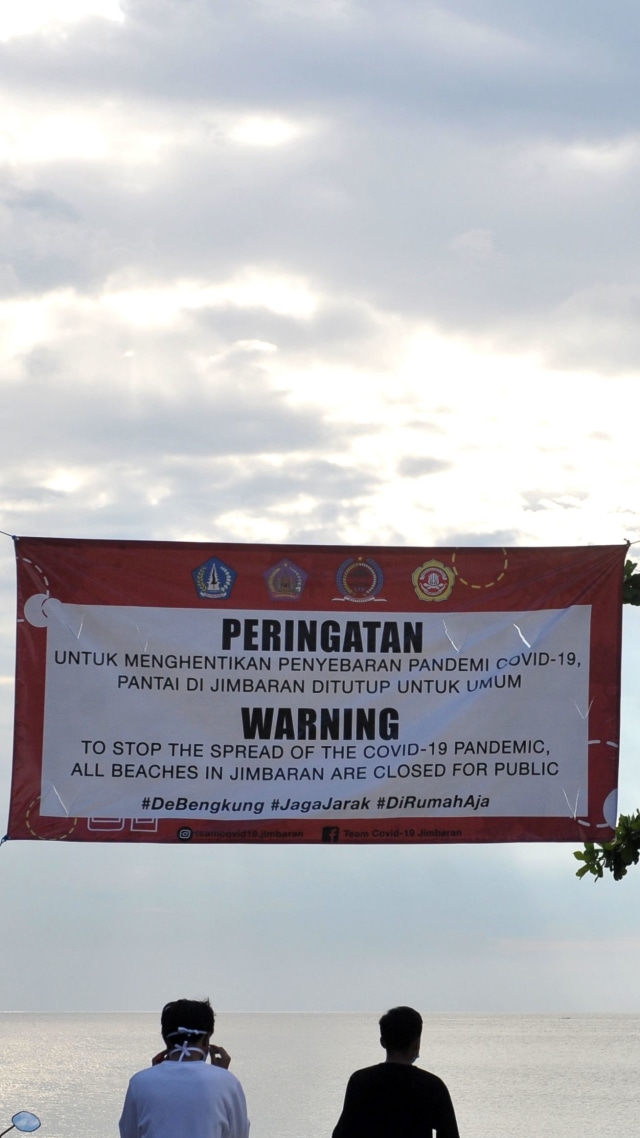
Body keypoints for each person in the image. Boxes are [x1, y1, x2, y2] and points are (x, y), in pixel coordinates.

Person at [119, 998, 249, 1138]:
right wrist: (221, 1076)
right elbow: (238, 1134)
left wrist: (154, 1077)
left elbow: (129, 1133)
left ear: (166, 1039)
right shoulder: (228, 1083)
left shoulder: (139, 1083)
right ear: (206, 1040)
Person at [332, 1005, 459, 1138]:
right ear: (416, 1044)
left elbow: (343, 1133)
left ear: (383, 1042)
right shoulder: (433, 1087)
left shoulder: (360, 1081)